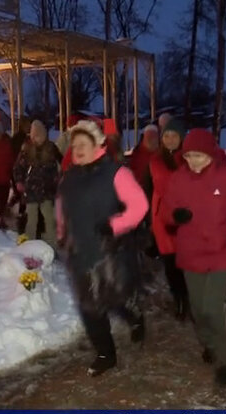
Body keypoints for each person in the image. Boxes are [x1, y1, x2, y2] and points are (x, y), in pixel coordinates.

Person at [159, 128, 226, 386]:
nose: (194, 162)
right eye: (189, 156)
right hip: (191, 253)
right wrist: (174, 217)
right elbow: (166, 210)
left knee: (213, 309)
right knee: (198, 310)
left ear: (211, 154)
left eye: (199, 156)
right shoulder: (179, 179)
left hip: (222, 251)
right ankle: (209, 343)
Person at [56, 120, 149, 377]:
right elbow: (62, 208)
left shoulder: (117, 172)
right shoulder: (69, 178)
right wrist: (62, 233)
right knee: (89, 307)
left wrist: (115, 225)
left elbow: (140, 206)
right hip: (80, 252)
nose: (78, 150)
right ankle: (105, 354)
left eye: (84, 144)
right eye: (74, 146)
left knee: (115, 297)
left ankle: (134, 315)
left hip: (111, 251)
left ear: (98, 144)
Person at [148, 119, 190, 319]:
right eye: (166, 136)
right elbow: (165, 184)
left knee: (188, 263)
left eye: (174, 135)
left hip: (187, 218)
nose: (170, 139)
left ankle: (191, 299)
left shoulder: (191, 159)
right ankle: (179, 300)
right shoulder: (156, 161)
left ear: (182, 137)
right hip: (163, 219)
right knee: (171, 264)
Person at [13, 120, 61, 248]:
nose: (36, 139)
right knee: (31, 220)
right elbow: (18, 167)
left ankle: (52, 247)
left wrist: (58, 179)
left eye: (39, 136)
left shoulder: (51, 148)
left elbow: (61, 164)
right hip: (31, 191)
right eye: (34, 136)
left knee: (49, 220)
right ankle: (30, 247)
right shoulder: (27, 149)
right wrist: (19, 181)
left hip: (47, 190)